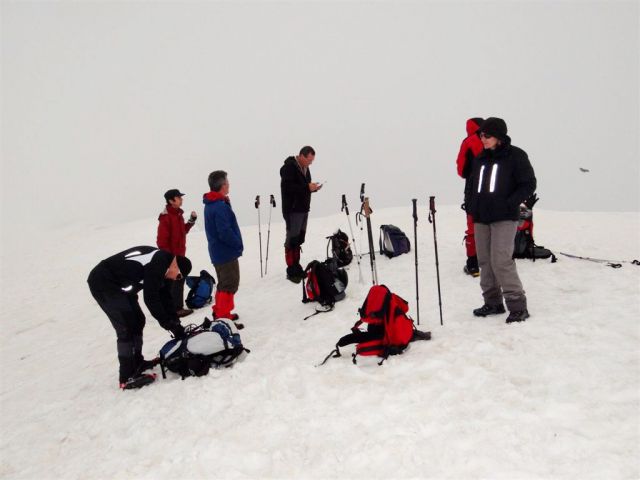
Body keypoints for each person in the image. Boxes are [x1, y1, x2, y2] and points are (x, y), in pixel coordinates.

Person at [87, 246, 192, 389]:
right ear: (176, 265)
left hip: (120, 286)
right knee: (127, 326)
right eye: (179, 276)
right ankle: (126, 376)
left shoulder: (165, 267)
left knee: (138, 320)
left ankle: (137, 362)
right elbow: (151, 298)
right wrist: (167, 323)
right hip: (104, 283)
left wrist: (175, 324)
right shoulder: (159, 262)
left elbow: (165, 297)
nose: (176, 279)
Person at [466, 117, 536, 323]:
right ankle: (493, 303)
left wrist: (510, 202)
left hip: (504, 217)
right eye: (481, 135)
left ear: (499, 136)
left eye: (487, 135)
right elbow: (470, 185)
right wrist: (470, 204)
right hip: (480, 217)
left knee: (501, 260)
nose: (483, 139)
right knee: (485, 261)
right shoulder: (480, 158)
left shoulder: (516, 156)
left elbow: (529, 183)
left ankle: (517, 306)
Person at [203, 170, 244, 329]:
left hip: (218, 251)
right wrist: (237, 244)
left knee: (224, 283)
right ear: (222, 185)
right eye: (227, 182)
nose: (229, 185)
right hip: (225, 252)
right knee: (230, 284)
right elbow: (224, 231)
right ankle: (223, 318)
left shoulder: (213, 203)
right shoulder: (219, 206)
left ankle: (220, 312)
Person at [280, 145, 322, 282]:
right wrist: (306, 187)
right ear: (302, 156)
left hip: (303, 208)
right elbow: (288, 188)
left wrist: (313, 188)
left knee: (299, 238)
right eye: (309, 160)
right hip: (293, 209)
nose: (311, 163)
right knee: (292, 238)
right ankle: (291, 270)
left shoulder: (305, 168)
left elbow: (304, 188)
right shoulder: (289, 168)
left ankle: (296, 266)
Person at [157, 188, 197, 317]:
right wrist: (170, 259)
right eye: (178, 197)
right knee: (176, 280)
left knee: (178, 279)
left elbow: (182, 232)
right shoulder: (166, 217)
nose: (181, 199)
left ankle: (173, 307)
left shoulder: (177, 215)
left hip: (179, 254)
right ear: (171, 200)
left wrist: (191, 221)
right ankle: (176, 309)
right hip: (172, 256)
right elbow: (162, 242)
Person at [456, 117, 484, 277]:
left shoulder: (468, 142)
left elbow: (462, 170)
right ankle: (495, 262)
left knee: (473, 227)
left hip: (473, 191)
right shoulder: (493, 139)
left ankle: (473, 265)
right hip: (496, 191)